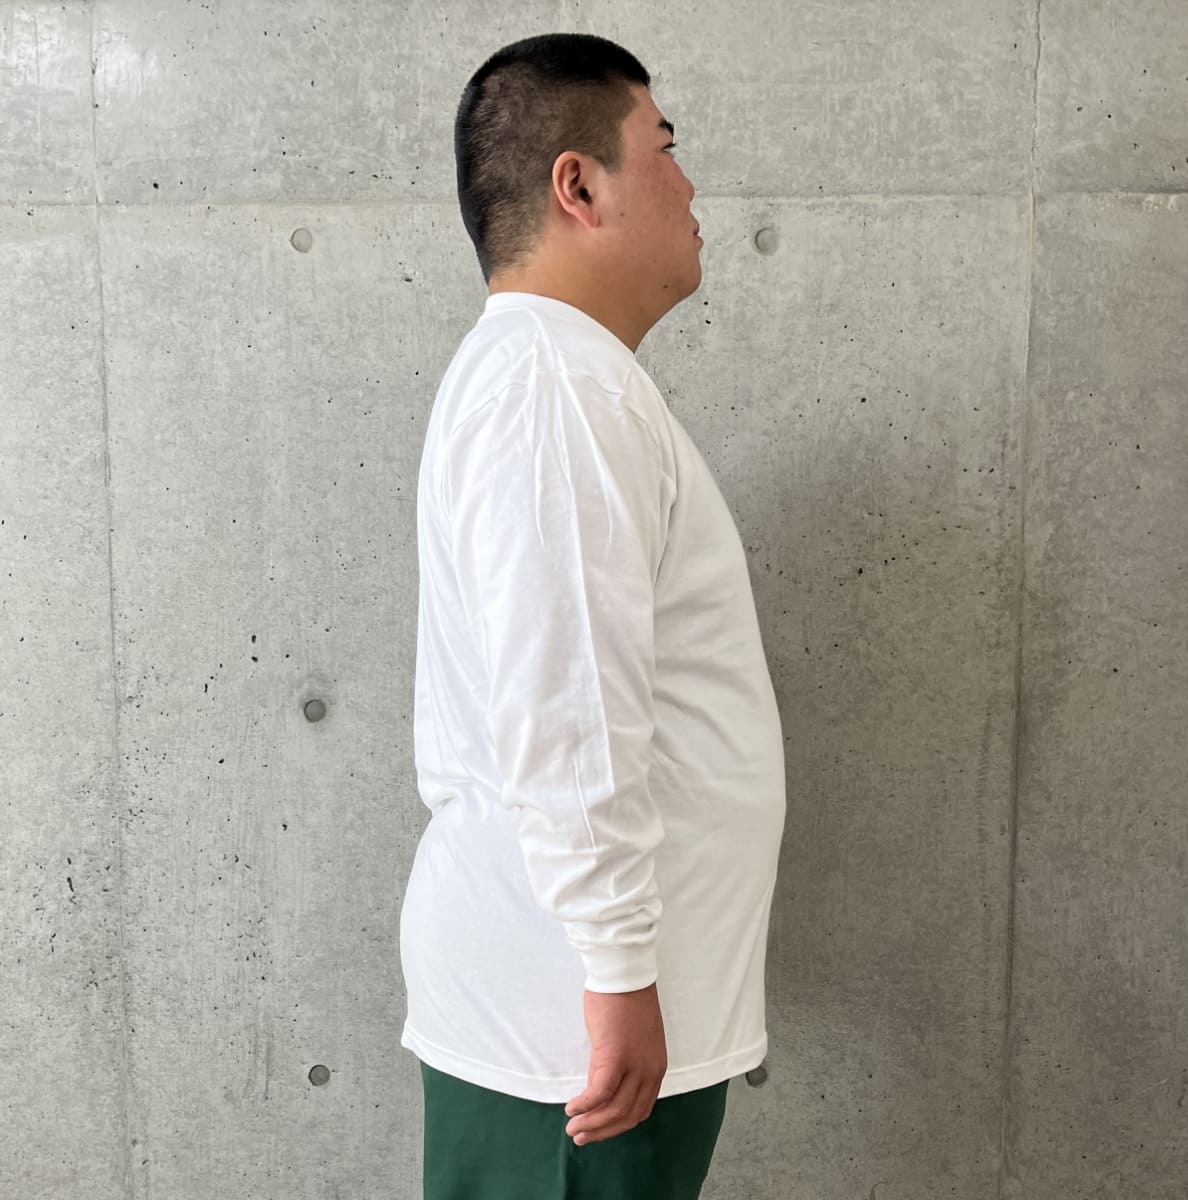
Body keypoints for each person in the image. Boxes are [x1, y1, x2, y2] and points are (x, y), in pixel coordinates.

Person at [399, 31, 787, 1200]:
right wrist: (617, 971)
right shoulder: (552, 387)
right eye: (664, 147)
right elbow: (566, 704)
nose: (690, 183)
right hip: (575, 1037)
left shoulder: (558, 377)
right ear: (579, 185)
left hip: (580, 1021)